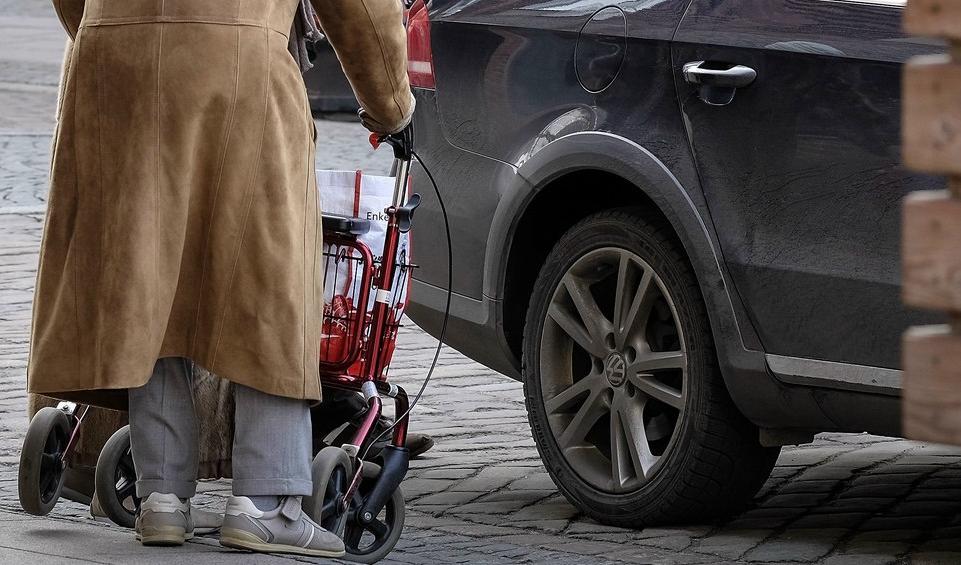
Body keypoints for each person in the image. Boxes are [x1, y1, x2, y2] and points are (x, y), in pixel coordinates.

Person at [29, 0, 415, 557]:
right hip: (237, 65)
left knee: (147, 275)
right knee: (267, 281)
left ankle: (161, 494)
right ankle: (265, 504)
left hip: (112, 62)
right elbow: (356, 6)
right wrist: (391, 105)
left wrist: (115, 33)